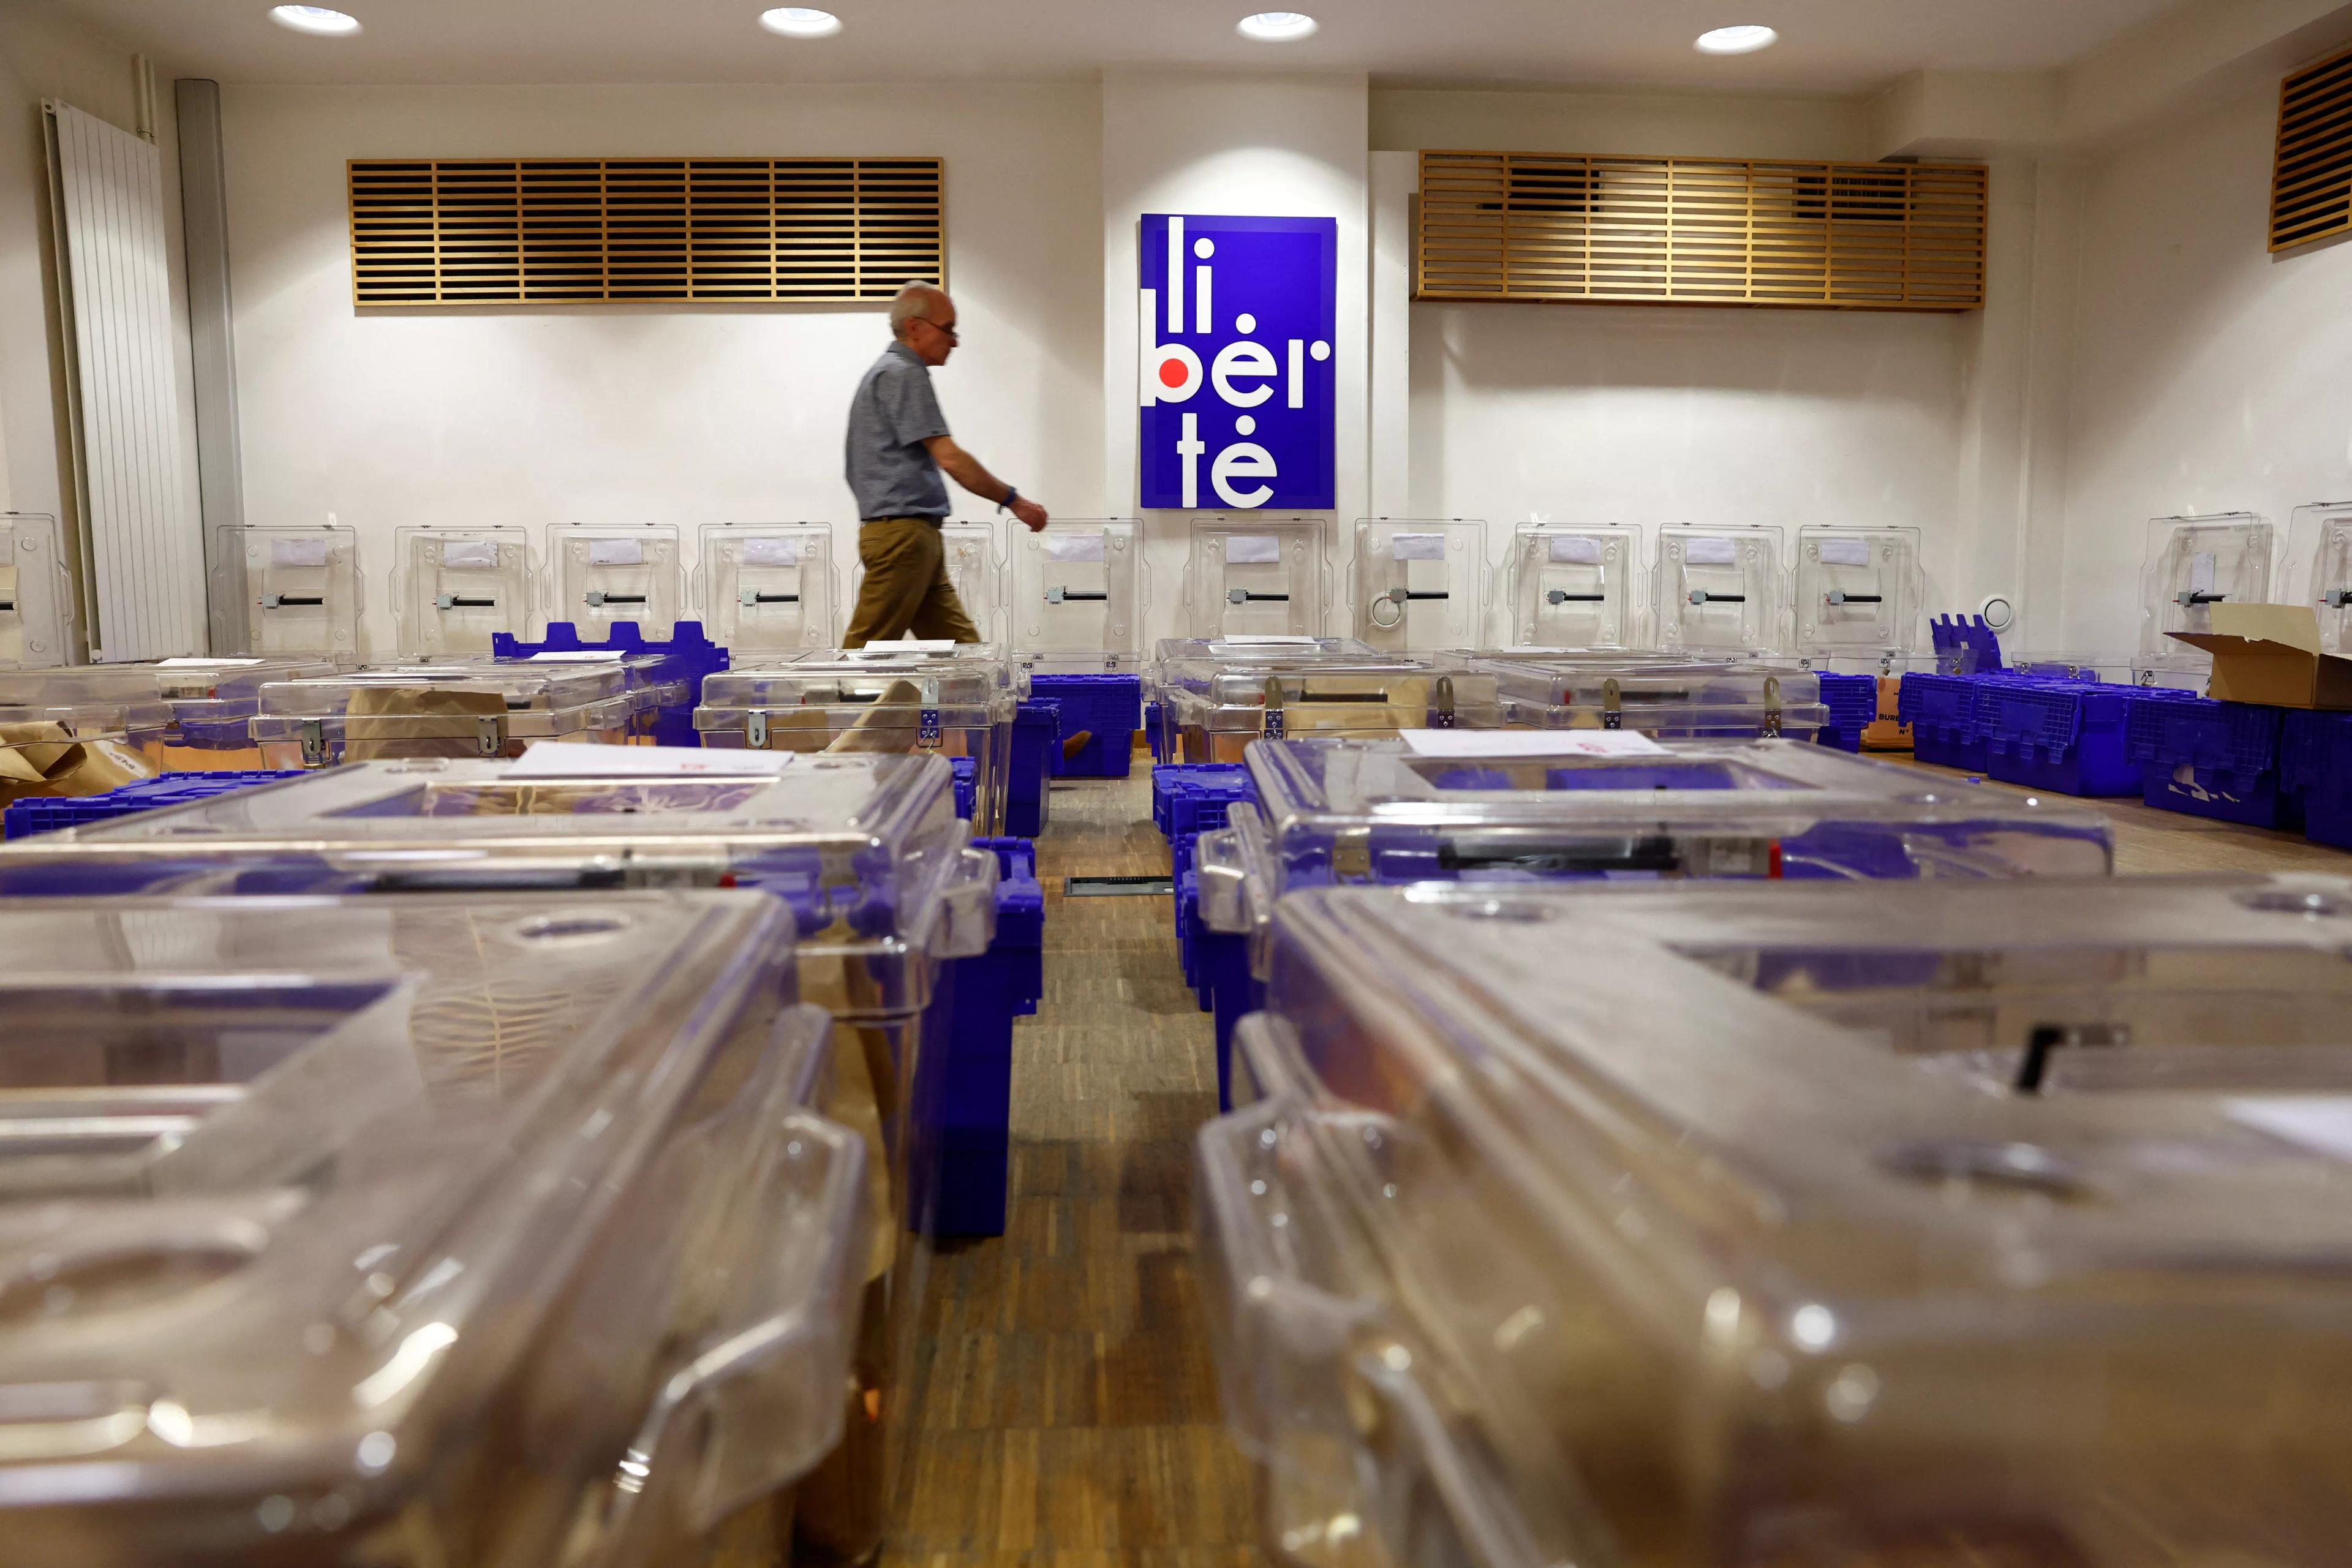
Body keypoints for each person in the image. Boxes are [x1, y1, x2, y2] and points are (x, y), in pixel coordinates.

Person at [842, 281, 1047, 647]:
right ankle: (822, 706)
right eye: (948, 330)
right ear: (916, 327)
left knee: (962, 653)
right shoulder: (902, 372)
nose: (954, 341)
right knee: (865, 655)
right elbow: (949, 457)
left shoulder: (887, 373)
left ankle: (976, 703)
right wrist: (1013, 500)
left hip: (912, 536)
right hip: (902, 537)